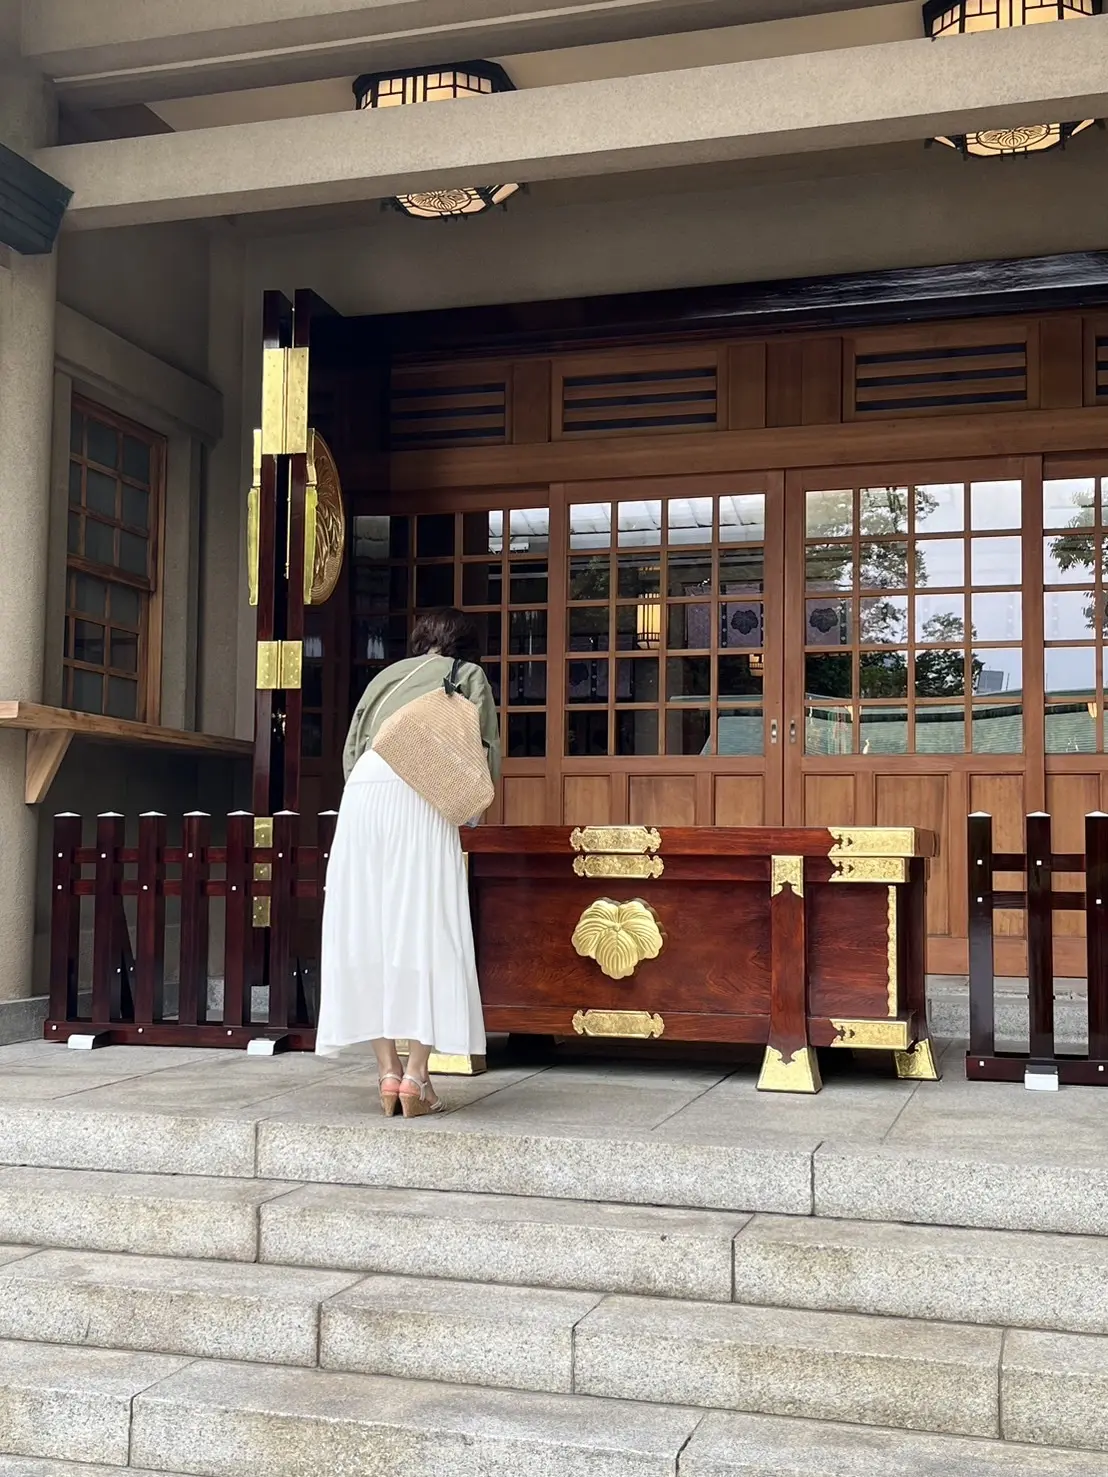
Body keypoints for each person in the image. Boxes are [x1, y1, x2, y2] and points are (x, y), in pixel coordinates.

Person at [315, 607, 501, 1117]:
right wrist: (474, 810)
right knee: (426, 922)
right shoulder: (468, 675)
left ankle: (386, 1073)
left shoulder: (386, 676)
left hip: (365, 792)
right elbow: (485, 749)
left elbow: (353, 748)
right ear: (467, 643)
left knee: (368, 923)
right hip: (423, 791)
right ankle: (418, 1077)